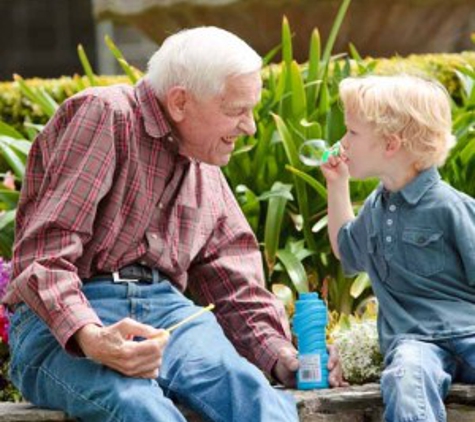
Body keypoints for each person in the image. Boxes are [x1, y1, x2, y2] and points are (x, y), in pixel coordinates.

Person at [4, 27, 345, 422]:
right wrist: (93, 338)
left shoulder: (204, 157)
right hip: (65, 327)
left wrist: (284, 357)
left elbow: (235, 285)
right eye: (236, 111)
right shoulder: (106, 115)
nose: (250, 127)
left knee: (253, 394)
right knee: (138, 405)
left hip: (169, 315)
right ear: (180, 101)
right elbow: (44, 255)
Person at [321, 73, 475, 422]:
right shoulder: (376, 208)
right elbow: (346, 249)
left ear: (391, 145)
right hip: (415, 343)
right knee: (405, 380)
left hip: (469, 330)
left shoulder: (450, 206)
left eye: (353, 133)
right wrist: (337, 185)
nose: (342, 143)